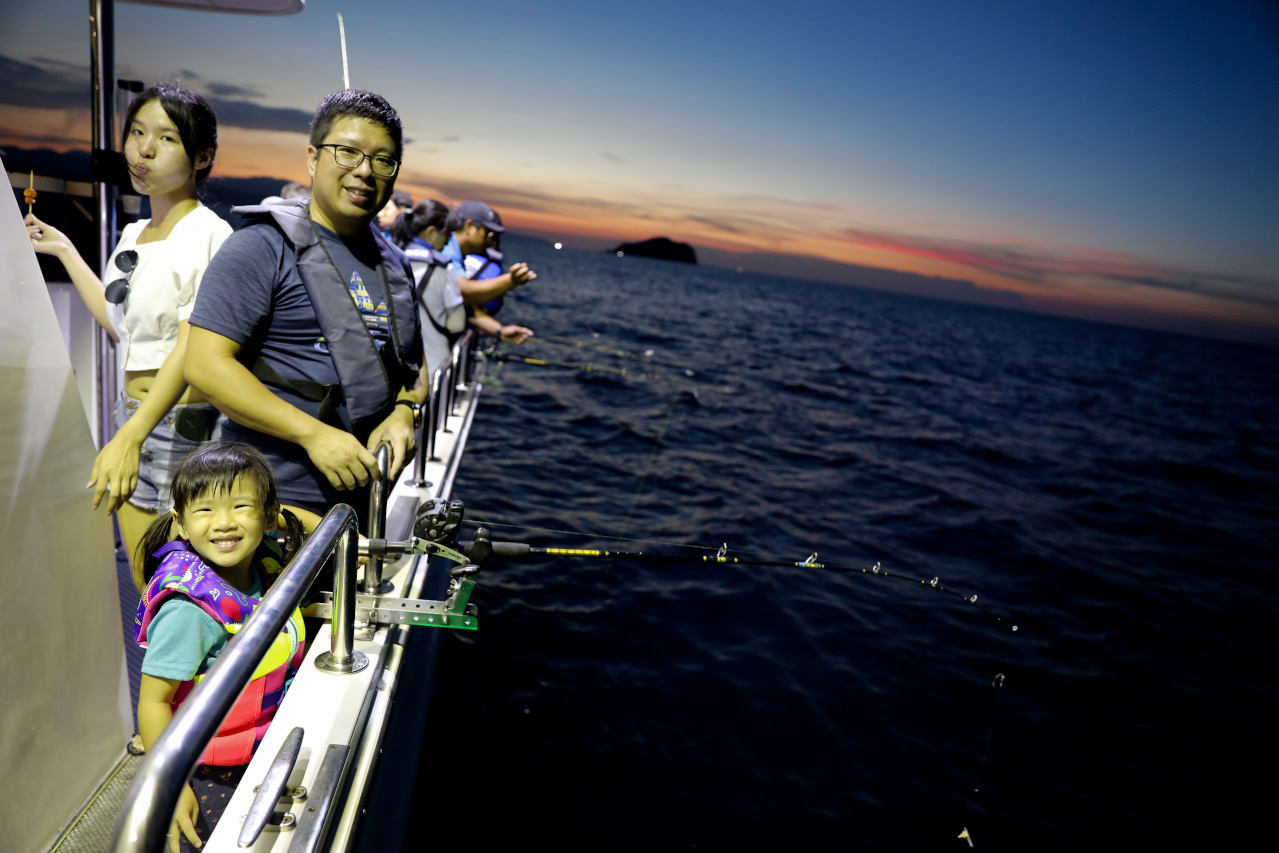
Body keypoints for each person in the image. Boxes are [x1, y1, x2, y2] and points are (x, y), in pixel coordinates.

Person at [25, 82, 231, 589]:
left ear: (203, 157)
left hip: (183, 421)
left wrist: (130, 438)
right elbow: (120, 325)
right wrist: (66, 250)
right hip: (130, 411)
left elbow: (191, 344)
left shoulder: (210, 234)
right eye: (137, 133)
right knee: (148, 581)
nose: (143, 150)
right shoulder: (133, 234)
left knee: (189, 582)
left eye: (165, 138)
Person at [185, 90, 422, 522]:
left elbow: (411, 369)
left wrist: (406, 413)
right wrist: (313, 435)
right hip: (268, 499)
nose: (365, 171)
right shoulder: (259, 247)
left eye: (382, 160)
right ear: (313, 159)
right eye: (347, 152)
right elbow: (204, 365)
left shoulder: (396, 266)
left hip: (363, 499)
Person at [133, 443, 307, 852]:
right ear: (180, 523)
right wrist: (169, 788)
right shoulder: (188, 611)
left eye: (241, 507)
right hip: (205, 773)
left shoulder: (261, 565)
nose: (224, 523)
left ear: (268, 516)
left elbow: (310, 529)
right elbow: (154, 702)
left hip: (256, 753)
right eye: (205, 510)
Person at [389, 198, 467, 376]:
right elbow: (457, 324)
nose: (447, 242)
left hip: (393, 367)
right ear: (431, 232)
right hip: (431, 368)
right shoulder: (441, 267)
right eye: (447, 235)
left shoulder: (391, 256)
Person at [442, 200, 534, 344]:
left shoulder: (456, 253)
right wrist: (511, 281)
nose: (491, 239)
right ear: (469, 227)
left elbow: (465, 307)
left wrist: (500, 330)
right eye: (488, 232)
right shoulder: (446, 249)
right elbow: (462, 292)